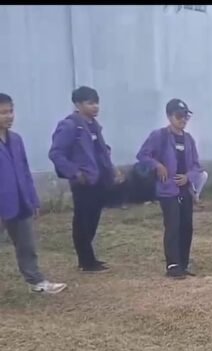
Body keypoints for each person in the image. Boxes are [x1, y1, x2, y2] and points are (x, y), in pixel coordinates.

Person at [49, 86, 121, 273]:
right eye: (90, 103)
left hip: (99, 180)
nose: (95, 107)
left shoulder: (94, 126)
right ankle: (86, 261)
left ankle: (89, 259)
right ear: (78, 104)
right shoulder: (70, 125)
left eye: (96, 103)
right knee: (82, 220)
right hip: (83, 182)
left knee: (93, 219)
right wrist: (75, 173)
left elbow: (102, 152)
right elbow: (56, 153)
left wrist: (112, 170)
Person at [0, 93, 67, 294]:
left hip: (20, 201)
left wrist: (32, 199)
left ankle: (36, 281)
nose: (9, 116)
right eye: (3, 113)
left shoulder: (16, 140)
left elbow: (24, 171)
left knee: (26, 245)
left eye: (11, 111)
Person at [136, 98, 203, 279]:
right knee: (173, 225)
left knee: (186, 226)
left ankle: (183, 262)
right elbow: (142, 155)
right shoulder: (159, 136)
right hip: (167, 189)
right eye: (179, 116)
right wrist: (157, 165)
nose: (183, 120)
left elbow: (196, 166)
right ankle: (172, 265)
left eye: (186, 116)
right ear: (169, 116)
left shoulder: (188, 139)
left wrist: (188, 177)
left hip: (184, 189)